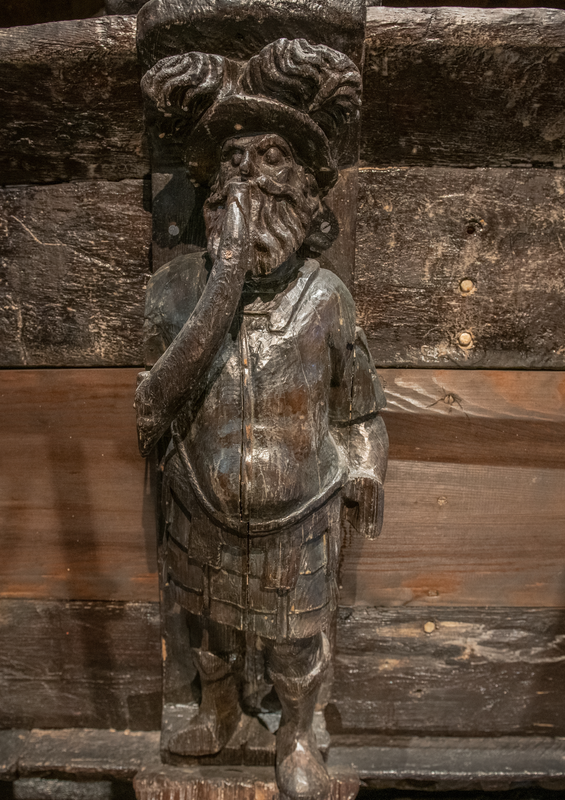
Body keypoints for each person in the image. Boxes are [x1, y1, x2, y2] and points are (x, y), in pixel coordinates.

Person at [135, 38, 387, 800]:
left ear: (306, 193)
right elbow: (150, 407)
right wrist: (222, 284)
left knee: (295, 645)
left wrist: (367, 467)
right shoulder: (176, 292)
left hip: (298, 514)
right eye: (232, 165)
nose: (247, 182)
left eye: (271, 161)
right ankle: (218, 706)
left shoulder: (326, 299)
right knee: (210, 630)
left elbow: (360, 406)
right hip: (200, 505)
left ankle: (298, 735)